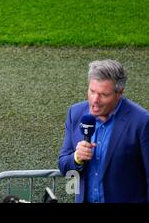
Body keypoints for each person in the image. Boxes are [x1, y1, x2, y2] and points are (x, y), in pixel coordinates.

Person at [58, 59, 149, 203]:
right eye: (92, 91)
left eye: (104, 95)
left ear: (119, 93)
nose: (95, 100)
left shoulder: (142, 122)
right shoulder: (75, 113)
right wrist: (76, 157)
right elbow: (64, 166)